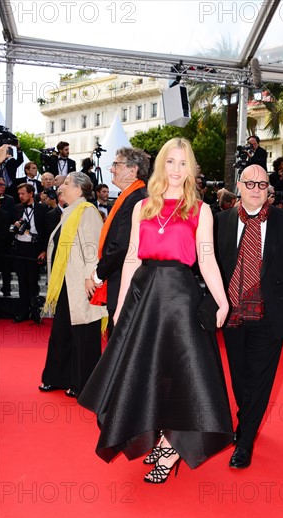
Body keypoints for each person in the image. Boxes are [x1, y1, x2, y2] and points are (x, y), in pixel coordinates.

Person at [79, 138, 233, 483]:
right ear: (162, 166)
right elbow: (132, 256)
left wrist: (222, 301)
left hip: (180, 298)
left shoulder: (200, 209)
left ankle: (172, 445)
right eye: (171, 162)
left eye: (183, 163)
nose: (177, 170)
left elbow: (207, 258)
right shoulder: (143, 207)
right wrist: (118, 308)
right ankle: (158, 437)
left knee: (180, 372)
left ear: (190, 169)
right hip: (142, 295)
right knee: (146, 369)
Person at [215, 164, 283, 468]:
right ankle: (247, 421)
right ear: (238, 186)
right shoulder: (220, 222)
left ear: (269, 190)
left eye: (261, 184)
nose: (255, 189)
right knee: (240, 378)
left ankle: (245, 441)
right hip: (232, 314)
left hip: (269, 315)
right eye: (249, 184)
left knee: (261, 379)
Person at [39, 172, 107, 398]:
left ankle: (84, 384)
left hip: (82, 284)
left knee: (84, 334)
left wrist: (92, 279)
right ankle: (57, 378)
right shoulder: (68, 213)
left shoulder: (87, 212)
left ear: (78, 190)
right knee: (61, 332)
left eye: (66, 183)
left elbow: (92, 249)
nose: (61, 186)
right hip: (65, 284)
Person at [90, 147, 149, 336]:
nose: (111, 169)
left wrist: (99, 274)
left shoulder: (136, 198)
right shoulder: (130, 196)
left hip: (127, 282)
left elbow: (122, 244)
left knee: (121, 346)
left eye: (116, 164)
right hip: (121, 279)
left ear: (132, 170)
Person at [11, 183, 47, 323]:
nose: (20, 196)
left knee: (33, 281)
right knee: (22, 281)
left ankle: (35, 312)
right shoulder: (16, 208)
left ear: (31, 193)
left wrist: (44, 250)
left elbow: (46, 231)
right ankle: (23, 312)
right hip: (19, 247)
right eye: (19, 194)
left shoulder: (42, 209)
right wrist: (15, 227)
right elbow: (11, 229)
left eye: (23, 194)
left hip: (34, 248)